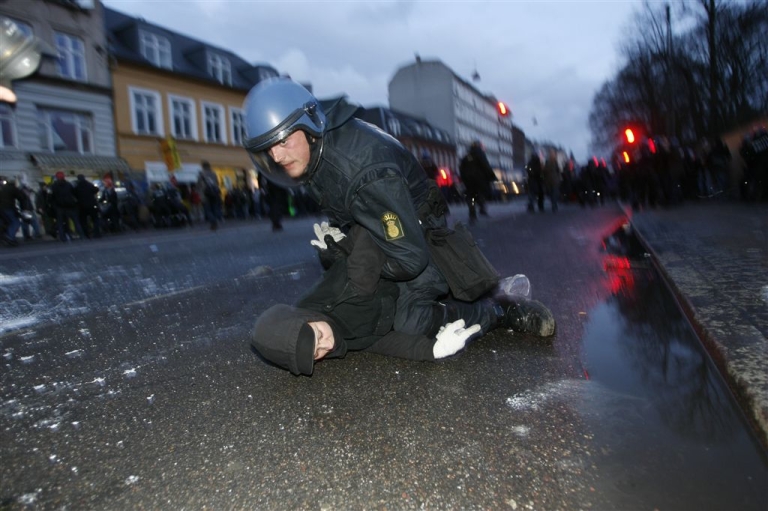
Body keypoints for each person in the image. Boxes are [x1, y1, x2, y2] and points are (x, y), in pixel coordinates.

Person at [242, 77, 554, 352]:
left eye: (283, 140)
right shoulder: (317, 151)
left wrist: (353, 258)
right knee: (348, 303)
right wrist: (342, 244)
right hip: (382, 229)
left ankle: (498, 310)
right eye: (268, 148)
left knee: (407, 320)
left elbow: (410, 258)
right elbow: (359, 215)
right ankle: (454, 298)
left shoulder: (362, 171)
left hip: (420, 236)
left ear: (310, 125)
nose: (277, 156)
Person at [459, 141, 496, 223]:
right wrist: (492, 176)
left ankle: (472, 214)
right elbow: (486, 165)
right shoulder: (480, 155)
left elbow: (461, 168)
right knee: (481, 194)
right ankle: (482, 209)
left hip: (468, 181)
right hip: (479, 180)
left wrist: (463, 179)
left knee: (471, 197)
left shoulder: (466, 157)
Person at [50, 171, 86, 242]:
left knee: (61, 222)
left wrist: (54, 205)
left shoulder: (54, 186)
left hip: (59, 206)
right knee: (76, 221)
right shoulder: (68, 184)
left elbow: (51, 197)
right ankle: (81, 235)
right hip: (70, 206)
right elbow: (74, 193)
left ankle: (63, 237)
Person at [0, 176, 30, 246]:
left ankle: (5, 236)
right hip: (8, 208)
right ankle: (10, 237)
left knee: (5, 222)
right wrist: (24, 208)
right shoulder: (13, 188)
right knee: (15, 222)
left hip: (2, 209)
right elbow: (21, 198)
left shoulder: (2, 189)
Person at [74, 174, 101, 238]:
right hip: (91, 204)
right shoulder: (89, 184)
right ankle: (97, 233)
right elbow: (96, 189)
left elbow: (74, 194)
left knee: (83, 221)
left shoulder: (77, 186)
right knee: (95, 219)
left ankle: (86, 234)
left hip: (82, 206)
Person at [198, 161, 222, 230]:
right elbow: (217, 183)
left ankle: (213, 221)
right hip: (214, 194)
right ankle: (215, 221)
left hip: (206, 195)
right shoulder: (213, 174)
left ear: (203, 167)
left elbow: (199, 185)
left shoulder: (201, 174)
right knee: (214, 208)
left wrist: (200, 194)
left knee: (207, 210)